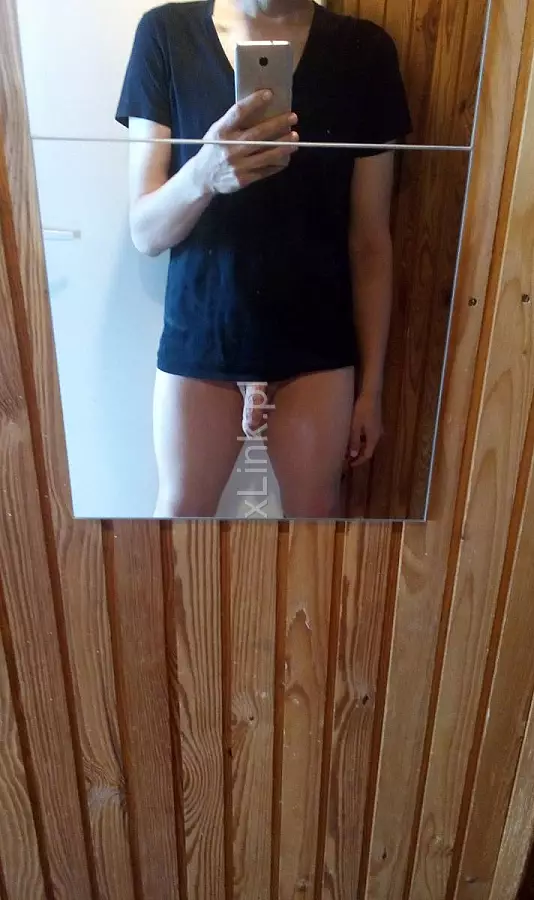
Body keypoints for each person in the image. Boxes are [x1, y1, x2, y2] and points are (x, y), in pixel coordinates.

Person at [116, 0, 412, 518]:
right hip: (203, 331)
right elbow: (145, 232)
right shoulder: (166, 35)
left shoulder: (364, 52)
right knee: (177, 527)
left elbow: (370, 242)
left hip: (315, 341)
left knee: (315, 531)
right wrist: (204, 173)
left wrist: (373, 390)